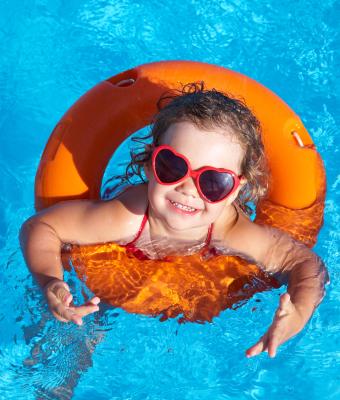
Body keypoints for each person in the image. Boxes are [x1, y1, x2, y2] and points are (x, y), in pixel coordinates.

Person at [20, 83, 329, 358]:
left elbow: (306, 264)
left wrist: (300, 311)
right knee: (76, 331)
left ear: (236, 190)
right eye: (172, 166)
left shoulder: (229, 229)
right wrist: (50, 281)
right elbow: (42, 227)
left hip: (192, 271)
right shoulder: (126, 216)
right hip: (118, 267)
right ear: (148, 162)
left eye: (213, 181)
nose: (187, 189)